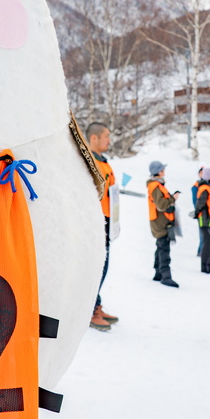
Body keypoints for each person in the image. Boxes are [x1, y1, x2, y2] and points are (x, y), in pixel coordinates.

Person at [86, 122, 120, 332]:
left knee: (103, 267)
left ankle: (95, 304)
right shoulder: (90, 162)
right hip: (95, 221)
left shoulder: (103, 162)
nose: (109, 139)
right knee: (96, 267)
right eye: (106, 136)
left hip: (107, 220)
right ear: (94, 138)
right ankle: (89, 311)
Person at [147, 160, 179, 288]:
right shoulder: (155, 186)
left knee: (160, 246)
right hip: (160, 222)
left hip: (160, 220)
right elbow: (161, 205)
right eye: (162, 169)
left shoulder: (157, 185)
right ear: (158, 172)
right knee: (164, 247)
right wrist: (172, 199)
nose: (164, 171)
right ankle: (166, 276)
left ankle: (158, 273)